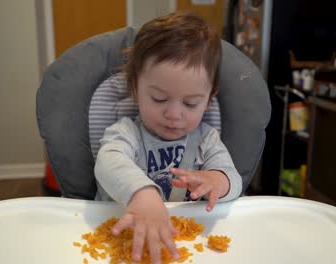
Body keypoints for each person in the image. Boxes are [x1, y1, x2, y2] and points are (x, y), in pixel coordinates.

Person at [94, 11, 242, 264]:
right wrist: (142, 194)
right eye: (159, 99)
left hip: (188, 242)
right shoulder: (125, 132)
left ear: (209, 99)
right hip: (123, 239)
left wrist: (217, 180)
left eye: (190, 103)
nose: (173, 114)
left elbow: (233, 180)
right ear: (135, 88)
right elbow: (108, 162)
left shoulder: (207, 139)